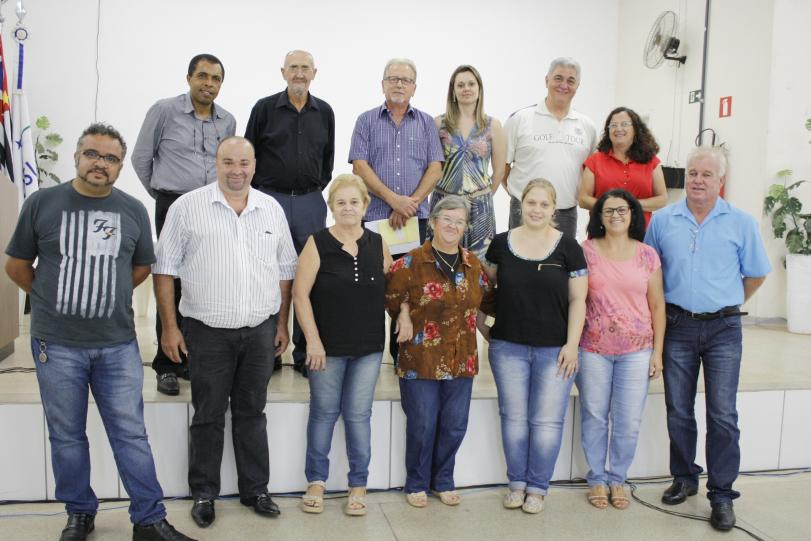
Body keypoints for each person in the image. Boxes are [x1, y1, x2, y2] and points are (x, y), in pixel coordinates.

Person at [5, 123, 194, 541]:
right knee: (67, 436)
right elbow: (16, 265)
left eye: (110, 158)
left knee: (131, 434)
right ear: (76, 157)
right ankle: (79, 513)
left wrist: (106, 293)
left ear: (120, 167)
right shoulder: (42, 203)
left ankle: (149, 519)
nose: (100, 163)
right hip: (57, 345)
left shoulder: (133, 210)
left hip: (117, 345)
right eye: (92, 154)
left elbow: (142, 267)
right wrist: (51, 298)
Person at [152, 136, 297, 529]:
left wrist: (282, 323)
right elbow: (164, 269)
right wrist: (169, 328)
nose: (237, 170)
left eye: (244, 163)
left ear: (254, 166)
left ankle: (256, 490)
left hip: (260, 331)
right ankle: (204, 493)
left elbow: (286, 270)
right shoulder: (187, 208)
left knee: (252, 413)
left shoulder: (271, 209)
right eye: (228, 162)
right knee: (208, 414)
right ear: (216, 164)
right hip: (207, 333)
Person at [644, 146, 771, 532]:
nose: (698, 180)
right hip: (678, 326)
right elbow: (650, 274)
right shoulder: (663, 221)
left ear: (721, 181)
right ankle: (684, 477)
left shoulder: (741, 223)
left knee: (722, 414)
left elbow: (756, 274)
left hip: (724, 330)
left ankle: (722, 494)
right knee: (679, 410)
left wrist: (725, 303)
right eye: (693, 173)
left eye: (707, 174)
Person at [478, 179, 588, 514]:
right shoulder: (500, 244)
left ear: (554, 209)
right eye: (531, 203)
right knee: (513, 418)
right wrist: (482, 325)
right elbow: (485, 289)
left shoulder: (569, 248)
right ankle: (516, 484)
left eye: (544, 204)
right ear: (521, 205)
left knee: (546, 421)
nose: (536, 210)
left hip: (555, 351)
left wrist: (572, 345)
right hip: (507, 347)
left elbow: (578, 300)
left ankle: (538, 488)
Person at [131, 53, 236, 396]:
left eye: (216, 79)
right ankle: (166, 365)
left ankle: (191, 358)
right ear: (189, 78)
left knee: (202, 283)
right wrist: (162, 194)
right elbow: (141, 158)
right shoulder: (164, 110)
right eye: (203, 76)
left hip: (212, 207)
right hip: (173, 204)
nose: (209, 84)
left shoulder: (227, 120)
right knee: (169, 281)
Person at [293, 174, 392, 516]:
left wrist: (406, 315)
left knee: (358, 415)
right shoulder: (317, 243)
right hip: (326, 348)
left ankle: (358, 484)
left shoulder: (378, 243)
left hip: (369, 348)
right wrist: (313, 341)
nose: (348, 208)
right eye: (341, 202)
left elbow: (393, 290)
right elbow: (300, 295)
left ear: (365, 206)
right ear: (331, 208)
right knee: (323, 413)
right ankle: (316, 481)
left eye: (354, 202)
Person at [385, 195, 491, 508]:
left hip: (462, 358)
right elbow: (390, 296)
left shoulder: (473, 265)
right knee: (423, 424)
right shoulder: (411, 262)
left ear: (466, 228)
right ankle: (417, 483)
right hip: (421, 357)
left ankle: (443, 480)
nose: (452, 226)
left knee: (455, 425)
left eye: (459, 222)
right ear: (432, 222)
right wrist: (404, 312)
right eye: (447, 219)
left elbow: (486, 301)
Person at [245, 49, 335, 376]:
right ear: (283, 72)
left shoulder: (325, 112)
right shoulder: (264, 109)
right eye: (293, 67)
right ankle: (268, 351)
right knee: (268, 275)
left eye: (305, 68)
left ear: (314, 73)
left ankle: (303, 353)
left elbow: (327, 162)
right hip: (271, 200)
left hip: (310, 201)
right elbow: (249, 155)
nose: (299, 73)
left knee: (309, 277)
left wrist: (311, 190)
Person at [349, 57, 444, 363]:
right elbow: (360, 165)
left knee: (411, 286)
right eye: (393, 79)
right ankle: (369, 353)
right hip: (375, 219)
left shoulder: (426, 123)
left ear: (414, 87)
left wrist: (410, 203)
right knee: (375, 285)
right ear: (382, 84)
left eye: (405, 80)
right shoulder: (366, 120)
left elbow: (435, 167)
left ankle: (403, 353)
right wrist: (394, 200)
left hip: (416, 220)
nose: (399, 84)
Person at [577, 189, 665, 510]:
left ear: (632, 214)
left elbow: (658, 305)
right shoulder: (585, 251)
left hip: (637, 351)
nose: (616, 215)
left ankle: (618, 479)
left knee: (628, 420)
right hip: (593, 348)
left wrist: (657, 353)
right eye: (609, 210)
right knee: (594, 415)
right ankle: (597, 479)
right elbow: (576, 300)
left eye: (622, 210)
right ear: (599, 217)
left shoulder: (647, 255)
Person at [503, 57, 596, 237]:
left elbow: (591, 173)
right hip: (524, 211)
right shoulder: (520, 119)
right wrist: (519, 196)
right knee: (519, 255)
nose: (564, 85)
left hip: (566, 214)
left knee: (562, 257)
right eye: (558, 78)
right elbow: (503, 167)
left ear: (578, 86)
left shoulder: (587, 127)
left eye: (571, 81)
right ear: (547, 80)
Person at [431, 64, 506, 260]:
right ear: (453, 91)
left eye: (471, 84)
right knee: (439, 260)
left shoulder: (493, 126)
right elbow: (430, 167)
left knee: (478, 263)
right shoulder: (439, 124)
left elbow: (499, 171)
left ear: (479, 89)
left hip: (479, 208)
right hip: (444, 204)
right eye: (460, 85)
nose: (466, 89)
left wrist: (481, 196)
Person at [578, 107, 667, 226]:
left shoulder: (651, 161)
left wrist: (630, 205)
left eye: (624, 124)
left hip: (640, 231)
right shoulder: (594, 161)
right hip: (602, 231)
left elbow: (662, 199)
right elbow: (583, 199)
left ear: (635, 129)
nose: (618, 129)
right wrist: (611, 207)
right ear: (608, 131)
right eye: (613, 125)